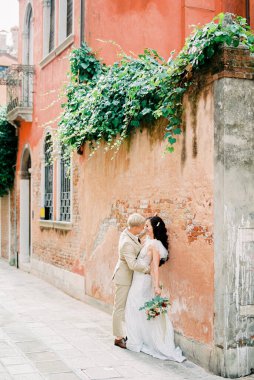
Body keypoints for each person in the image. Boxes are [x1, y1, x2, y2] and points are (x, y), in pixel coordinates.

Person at [125, 216, 185, 362]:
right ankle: (137, 338)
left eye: (147, 226)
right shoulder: (146, 241)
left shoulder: (155, 245)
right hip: (137, 278)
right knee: (135, 307)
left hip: (143, 281)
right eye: (144, 225)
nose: (144, 228)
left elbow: (155, 268)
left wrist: (156, 286)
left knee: (134, 305)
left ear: (153, 228)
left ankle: (137, 340)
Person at [112, 213, 150, 349]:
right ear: (136, 227)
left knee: (123, 307)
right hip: (123, 278)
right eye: (142, 227)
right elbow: (133, 264)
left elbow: (137, 236)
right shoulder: (127, 243)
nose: (142, 229)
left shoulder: (128, 233)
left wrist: (149, 227)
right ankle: (118, 337)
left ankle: (123, 333)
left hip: (127, 276)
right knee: (119, 308)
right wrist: (148, 269)